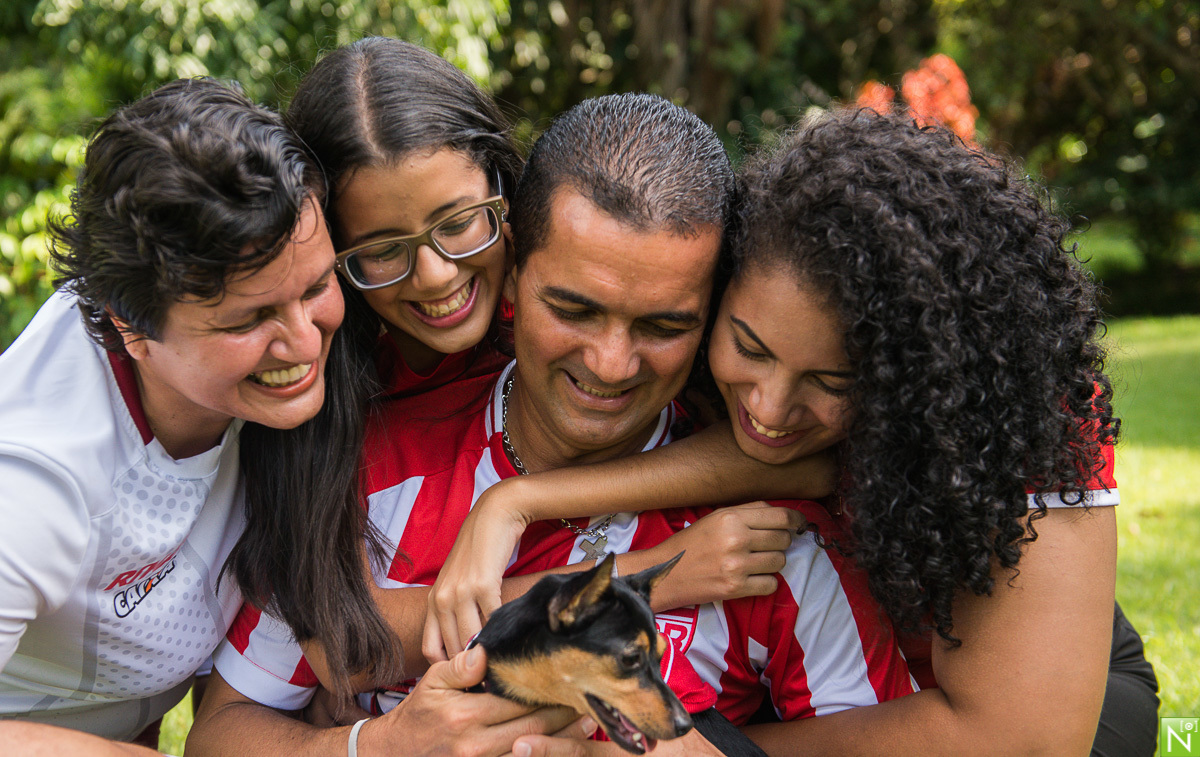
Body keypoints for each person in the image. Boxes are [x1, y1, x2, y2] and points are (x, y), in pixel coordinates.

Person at [188, 92, 915, 756]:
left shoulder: (770, 546)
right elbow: (220, 732)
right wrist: (380, 745)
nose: (611, 363)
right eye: (574, 309)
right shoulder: (366, 469)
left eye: (663, 325)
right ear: (510, 272)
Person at [514, 108, 1160, 757]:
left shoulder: (1014, 414)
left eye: (831, 380)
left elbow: (1020, 740)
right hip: (815, 677)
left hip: (1032, 703)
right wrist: (518, 501)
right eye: (750, 349)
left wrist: (702, 749)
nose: (769, 409)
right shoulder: (685, 332)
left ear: (911, 377)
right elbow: (779, 463)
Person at [0, 78, 340, 753]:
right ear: (131, 325)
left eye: (318, 286)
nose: (305, 342)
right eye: (248, 319)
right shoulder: (31, 479)